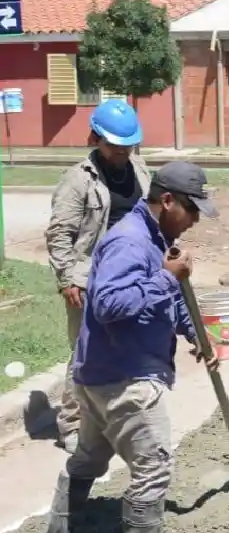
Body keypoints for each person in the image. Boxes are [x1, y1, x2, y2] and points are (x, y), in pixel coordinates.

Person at [42, 161, 219, 533]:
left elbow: (166, 300)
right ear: (168, 200)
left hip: (101, 375)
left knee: (88, 459)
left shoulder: (155, 237)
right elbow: (108, 304)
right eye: (191, 211)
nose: (194, 221)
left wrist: (196, 334)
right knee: (153, 468)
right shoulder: (130, 241)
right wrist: (167, 276)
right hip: (124, 380)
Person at [44, 98, 152, 454]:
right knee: (85, 352)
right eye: (115, 147)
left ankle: (114, 418)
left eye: (128, 146)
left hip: (131, 273)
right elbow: (59, 234)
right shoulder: (78, 180)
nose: (122, 153)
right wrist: (67, 277)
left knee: (126, 348)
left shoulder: (139, 168)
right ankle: (73, 425)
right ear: (96, 139)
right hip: (89, 277)